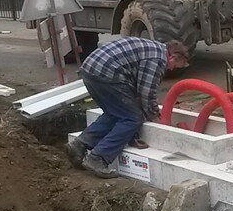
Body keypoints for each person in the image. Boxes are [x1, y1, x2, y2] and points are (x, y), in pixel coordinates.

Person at [65, 37, 190, 178]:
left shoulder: (154, 48)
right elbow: (146, 93)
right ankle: (98, 158)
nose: (171, 69)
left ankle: (79, 145)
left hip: (91, 70)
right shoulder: (158, 59)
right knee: (132, 118)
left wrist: (133, 135)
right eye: (175, 66)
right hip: (106, 73)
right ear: (173, 57)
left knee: (116, 112)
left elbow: (136, 93)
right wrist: (154, 117)